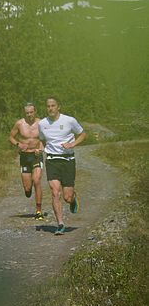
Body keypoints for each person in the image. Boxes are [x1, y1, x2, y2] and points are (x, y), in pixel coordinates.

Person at [38, 97, 86, 236]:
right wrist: (40, 149)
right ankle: (60, 224)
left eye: (53, 105)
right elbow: (42, 140)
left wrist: (72, 144)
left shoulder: (69, 120)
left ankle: (72, 198)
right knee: (54, 192)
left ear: (59, 107)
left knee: (67, 197)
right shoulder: (42, 123)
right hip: (52, 160)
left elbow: (82, 134)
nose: (50, 108)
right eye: (48, 106)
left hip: (68, 160)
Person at [9, 103, 45, 219]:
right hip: (24, 156)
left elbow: (46, 139)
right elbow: (11, 137)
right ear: (24, 113)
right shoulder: (20, 123)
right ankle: (28, 190)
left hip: (36, 155)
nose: (29, 115)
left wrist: (41, 149)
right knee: (27, 188)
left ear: (35, 112)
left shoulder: (41, 123)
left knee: (37, 180)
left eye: (31, 112)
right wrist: (18, 144)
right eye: (27, 113)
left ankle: (38, 210)